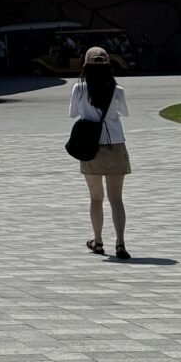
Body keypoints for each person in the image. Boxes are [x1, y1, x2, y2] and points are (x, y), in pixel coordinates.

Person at [70, 44, 131, 259]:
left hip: (90, 148)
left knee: (96, 198)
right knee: (117, 199)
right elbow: (124, 112)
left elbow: (73, 114)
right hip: (115, 145)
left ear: (85, 66)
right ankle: (121, 244)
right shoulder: (118, 90)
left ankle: (98, 241)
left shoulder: (79, 88)